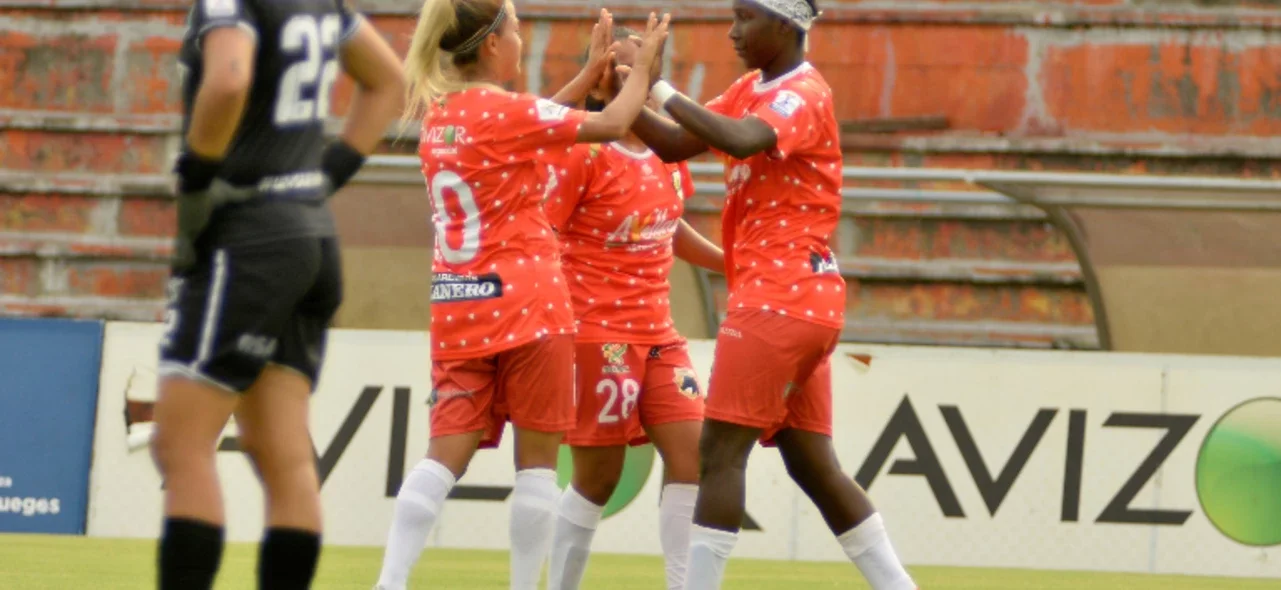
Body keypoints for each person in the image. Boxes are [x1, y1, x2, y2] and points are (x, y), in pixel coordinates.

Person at [371, 4, 669, 590]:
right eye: (512, 28)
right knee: (536, 467)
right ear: (489, 47)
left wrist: (586, 76)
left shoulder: (442, 115)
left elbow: (531, 123)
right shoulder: (504, 110)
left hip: (459, 305)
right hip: (530, 305)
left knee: (440, 458)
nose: (519, 37)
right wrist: (644, 69)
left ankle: (390, 581)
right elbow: (609, 126)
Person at [625, 0, 919, 588]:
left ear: (785, 24)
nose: (732, 31)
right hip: (802, 299)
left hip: (777, 297)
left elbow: (739, 140)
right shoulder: (753, 86)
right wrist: (626, 88)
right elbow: (676, 144)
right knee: (814, 465)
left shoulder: (800, 93)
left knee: (718, 455)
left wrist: (655, 86)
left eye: (744, 17)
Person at [152, 0, 405, 588]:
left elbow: (230, 77)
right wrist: (328, 175)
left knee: (181, 444)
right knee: (280, 450)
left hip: (247, 236)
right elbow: (388, 79)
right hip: (311, 236)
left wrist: (195, 180)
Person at [541, 28, 726, 590]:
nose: (627, 73)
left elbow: (668, 229)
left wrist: (733, 265)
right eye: (618, 64)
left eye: (638, 62)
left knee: (696, 459)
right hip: (599, 334)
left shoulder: (670, 151)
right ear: (598, 74)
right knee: (598, 478)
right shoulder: (584, 153)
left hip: (659, 334)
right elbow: (542, 234)